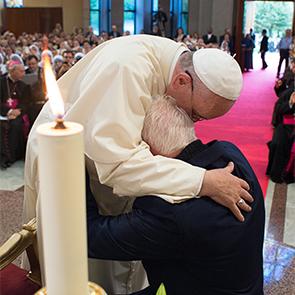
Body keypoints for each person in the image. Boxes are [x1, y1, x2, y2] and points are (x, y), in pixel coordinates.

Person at [23, 35, 251, 294]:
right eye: (195, 114)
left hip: (117, 167)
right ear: (181, 81)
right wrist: (204, 181)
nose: (193, 123)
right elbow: (119, 165)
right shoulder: (126, 68)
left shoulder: (177, 66)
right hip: (71, 164)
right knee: (85, 264)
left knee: (126, 247)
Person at [87, 96, 265, 295]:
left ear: (147, 149)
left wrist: (73, 165)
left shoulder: (170, 214)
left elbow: (91, 236)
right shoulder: (230, 155)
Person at [0, 60, 30, 168]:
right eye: (21, 71)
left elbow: (26, 103)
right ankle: (4, 157)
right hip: (3, 112)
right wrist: (8, 111)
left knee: (16, 125)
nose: (24, 74)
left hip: (18, 113)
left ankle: (13, 156)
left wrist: (17, 111)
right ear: (13, 71)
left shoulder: (24, 85)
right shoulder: (1, 82)